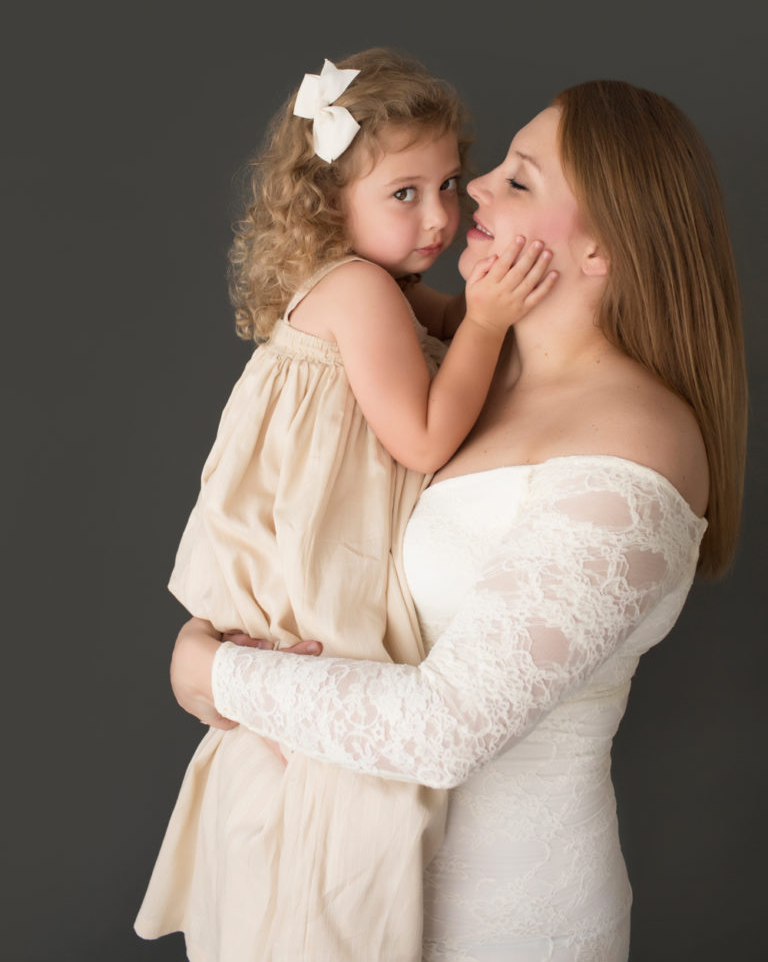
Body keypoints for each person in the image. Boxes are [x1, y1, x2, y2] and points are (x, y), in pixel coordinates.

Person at [171, 79, 747, 961]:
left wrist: (215, 671)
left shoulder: (635, 445)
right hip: (364, 886)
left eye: (517, 182)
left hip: (505, 919)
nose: (471, 191)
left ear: (600, 249)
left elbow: (446, 730)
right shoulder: (484, 373)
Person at [135, 49, 556, 961]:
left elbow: (445, 329)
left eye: (449, 183)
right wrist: (486, 321)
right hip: (321, 581)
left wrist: (482, 315)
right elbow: (423, 439)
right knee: (355, 785)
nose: (441, 216)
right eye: (404, 193)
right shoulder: (361, 291)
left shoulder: (382, 288)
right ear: (329, 201)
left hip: (314, 559)